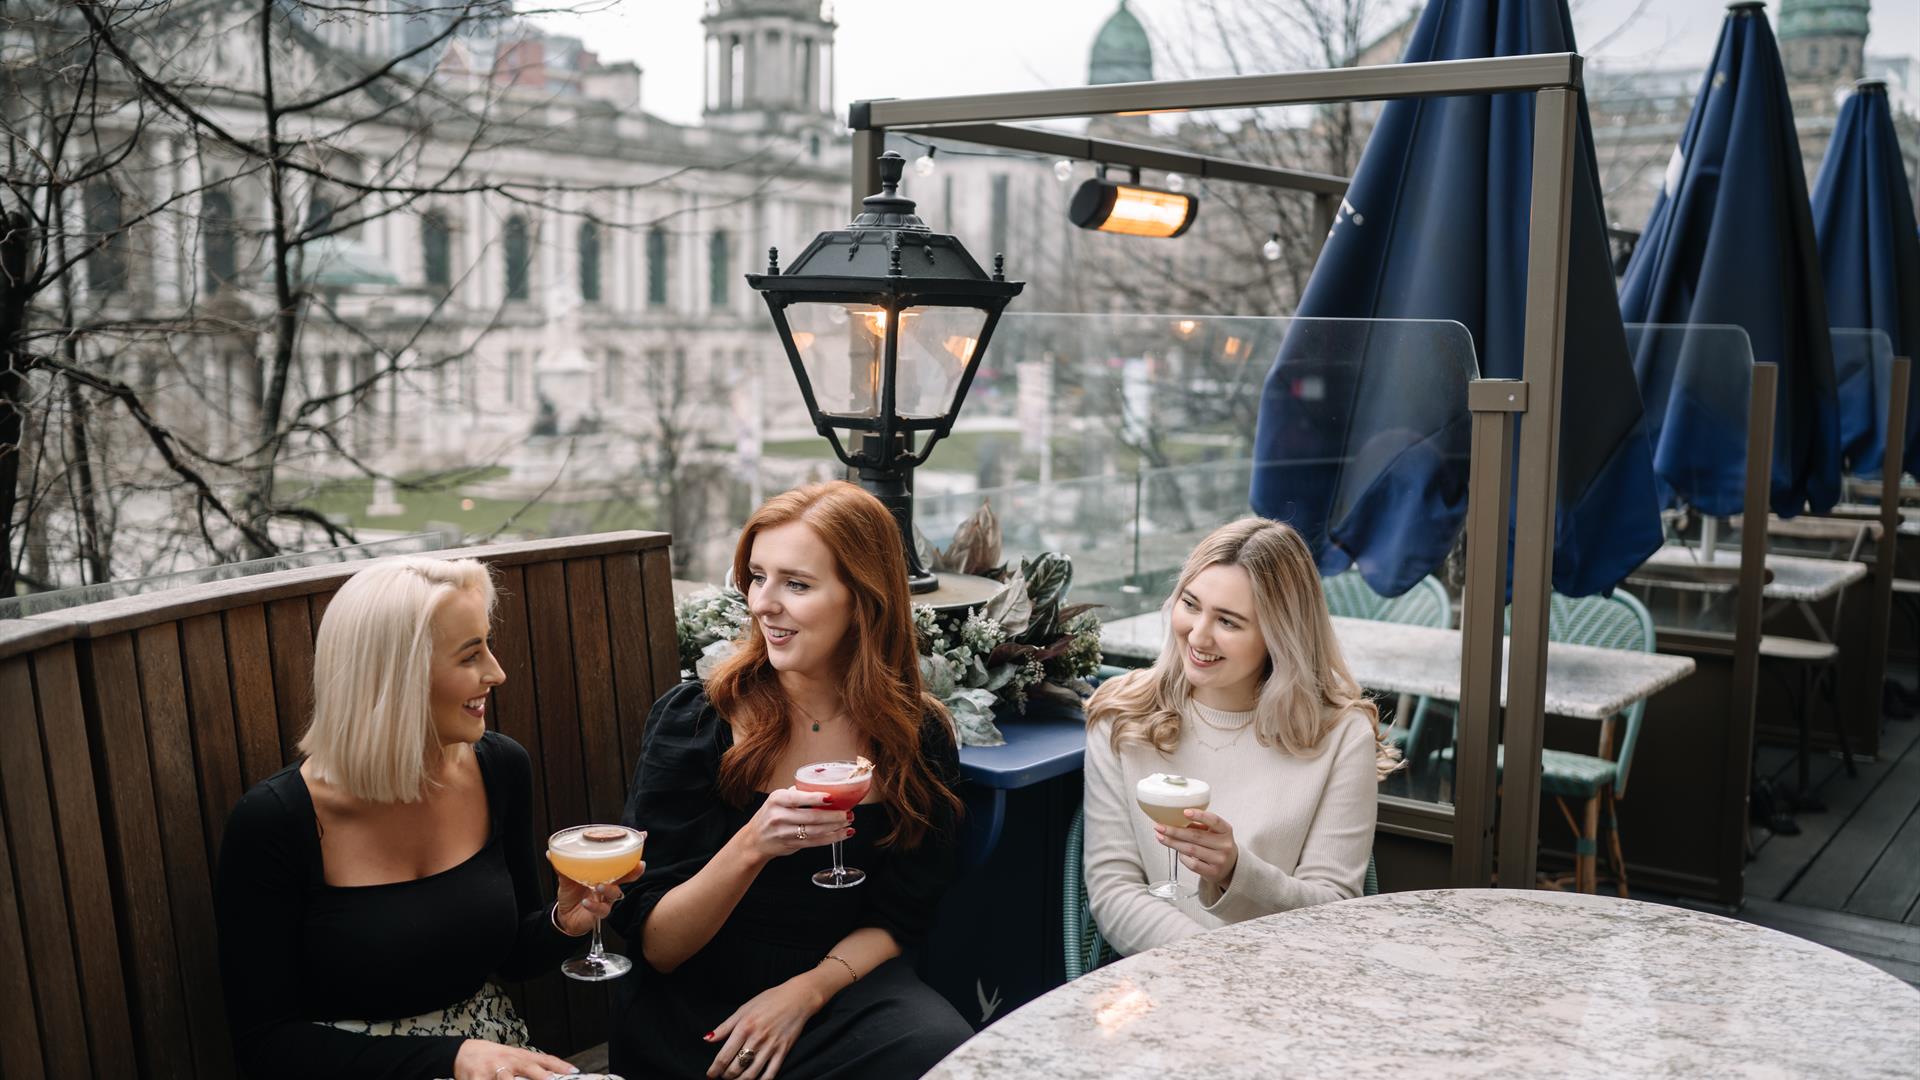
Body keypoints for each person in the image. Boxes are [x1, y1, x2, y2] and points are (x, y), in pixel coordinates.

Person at [215, 556, 640, 1080]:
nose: (497, 672)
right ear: (396, 678)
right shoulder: (275, 821)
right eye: (470, 656)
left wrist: (564, 922)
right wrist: (451, 1057)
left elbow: (512, 957)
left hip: (494, 1060)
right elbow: (264, 1044)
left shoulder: (500, 769)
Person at [607, 481, 974, 1080]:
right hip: (699, 997)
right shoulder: (696, 721)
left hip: (839, 982)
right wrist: (754, 844)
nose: (763, 603)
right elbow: (659, 946)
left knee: (943, 1047)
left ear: (863, 600)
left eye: (796, 584)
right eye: (757, 576)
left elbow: (900, 917)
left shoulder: (917, 735)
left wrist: (807, 992)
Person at [1083, 517, 1394, 956]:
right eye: (1190, 604)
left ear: (1278, 635)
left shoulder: (1341, 735)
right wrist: (1213, 966)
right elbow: (1114, 892)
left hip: (1289, 979)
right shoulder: (1122, 717)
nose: (1198, 633)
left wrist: (1236, 872)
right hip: (1164, 979)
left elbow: (1334, 909)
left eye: (1228, 622)